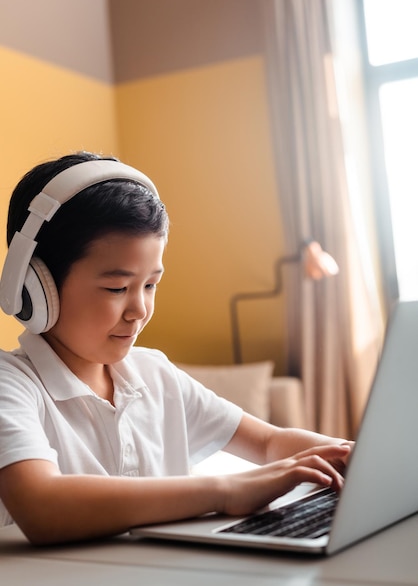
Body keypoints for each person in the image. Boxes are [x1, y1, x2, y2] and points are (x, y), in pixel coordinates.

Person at [0, 151, 351, 545]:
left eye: (150, 285)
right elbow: (42, 506)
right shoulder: (11, 386)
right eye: (117, 288)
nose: (140, 310)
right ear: (34, 288)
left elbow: (269, 442)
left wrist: (357, 456)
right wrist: (226, 490)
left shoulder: (155, 374)